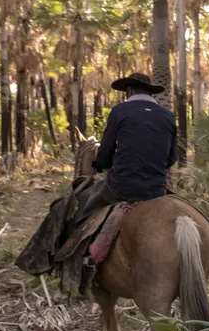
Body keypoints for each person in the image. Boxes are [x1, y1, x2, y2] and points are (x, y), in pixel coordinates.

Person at [76, 72, 178, 223]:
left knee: (82, 206)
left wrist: (100, 166)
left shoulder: (120, 111)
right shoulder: (168, 115)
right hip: (156, 189)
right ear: (150, 92)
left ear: (129, 91)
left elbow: (105, 152)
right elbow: (171, 158)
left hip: (122, 187)